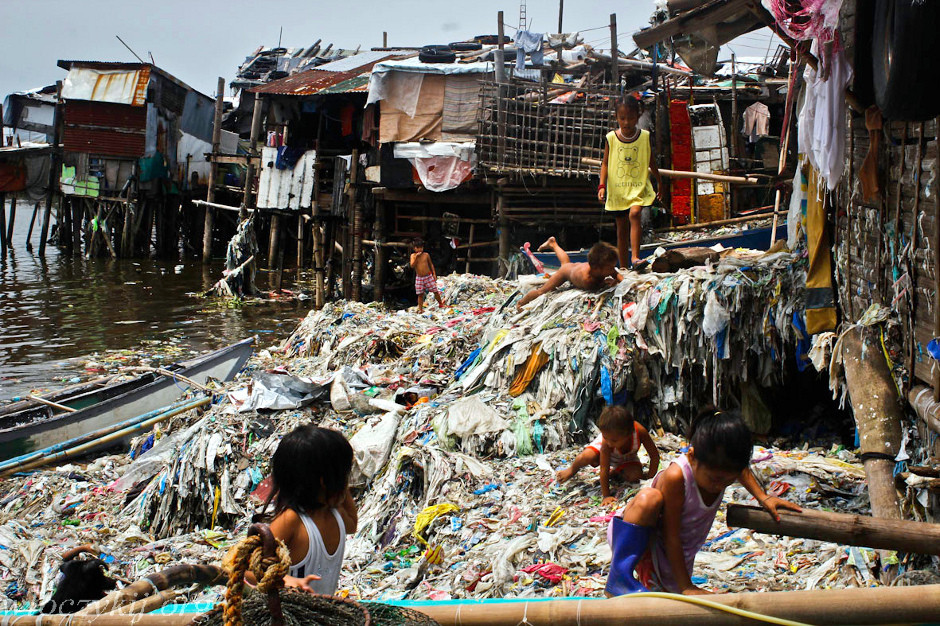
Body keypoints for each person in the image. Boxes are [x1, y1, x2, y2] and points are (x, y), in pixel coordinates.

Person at [605, 408, 801, 597]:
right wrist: (686, 587)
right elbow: (670, 535)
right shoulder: (677, 476)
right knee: (650, 498)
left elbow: (740, 469)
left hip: (680, 550)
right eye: (715, 479)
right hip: (641, 539)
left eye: (727, 480)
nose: (719, 486)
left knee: (671, 601)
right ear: (692, 456)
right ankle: (618, 579)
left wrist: (763, 497)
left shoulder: (722, 467)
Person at [259, 425, 358, 595]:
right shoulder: (291, 521)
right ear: (323, 481)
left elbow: (352, 526)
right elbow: (246, 570)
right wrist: (288, 581)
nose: (347, 479)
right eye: (344, 473)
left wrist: (337, 486)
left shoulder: (336, 513)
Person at [598, 95, 663, 269]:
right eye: (622, 118)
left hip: (637, 186)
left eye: (631, 118)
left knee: (635, 214)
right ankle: (625, 267)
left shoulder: (644, 137)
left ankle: (635, 257)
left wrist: (659, 181)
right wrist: (602, 185)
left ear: (638, 116)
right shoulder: (611, 138)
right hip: (617, 189)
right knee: (621, 230)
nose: (626, 122)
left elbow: (651, 161)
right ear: (616, 118)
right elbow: (605, 163)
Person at [556, 405, 660, 506]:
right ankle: (572, 469)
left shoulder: (639, 431)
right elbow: (604, 468)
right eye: (605, 437)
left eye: (614, 440)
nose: (610, 443)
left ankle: (616, 471)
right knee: (585, 457)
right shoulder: (606, 442)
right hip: (602, 453)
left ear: (628, 435)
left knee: (635, 476)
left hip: (627, 457)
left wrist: (651, 478)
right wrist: (606, 496)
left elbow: (654, 456)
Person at [516, 240, 620, 310]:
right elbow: (596, 287)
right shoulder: (587, 280)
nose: (613, 269)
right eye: (610, 267)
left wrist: (617, 279)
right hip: (565, 273)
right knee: (542, 291)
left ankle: (553, 244)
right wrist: (607, 283)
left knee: (566, 263)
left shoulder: (602, 268)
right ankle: (521, 303)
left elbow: (616, 274)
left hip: (571, 267)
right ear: (597, 268)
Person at [410, 238, 444, 313]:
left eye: (421, 247)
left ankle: (441, 304)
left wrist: (434, 274)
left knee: (435, 291)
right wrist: (416, 257)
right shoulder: (413, 256)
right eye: (418, 248)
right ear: (414, 248)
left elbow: (431, 264)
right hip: (419, 277)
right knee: (420, 294)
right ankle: (421, 309)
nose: (420, 249)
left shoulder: (426, 255)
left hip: (428, 276)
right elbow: (412, 265)